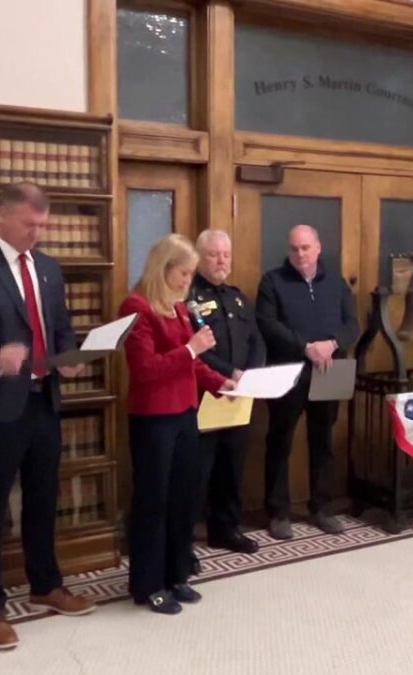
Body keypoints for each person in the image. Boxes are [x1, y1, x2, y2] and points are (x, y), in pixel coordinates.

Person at [0, 183, 94, 651]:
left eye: (43, 225)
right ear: (3, 217)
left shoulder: (49, 268)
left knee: (43, 498)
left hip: (43, 401)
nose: (37, 233)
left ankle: (45, 584)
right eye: (30, 225)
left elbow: (61, 328)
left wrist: (69, 356)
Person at [122, 234, 235, 614]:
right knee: (154, 500)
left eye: (190, 274)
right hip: (153, 419)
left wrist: (222, 384)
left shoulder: (179, 308)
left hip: (186, 413)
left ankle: (176, 574)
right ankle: (148, 584)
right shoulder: (137, 307)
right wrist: (190, 349)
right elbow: (145, 369)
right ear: (163, 268)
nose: (188, 281)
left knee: (184, 498)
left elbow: (194, 364)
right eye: (183, 273)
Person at [256, 224, 359, 540]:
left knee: (323, 441)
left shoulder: (336, 283)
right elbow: (267, 323)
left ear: (318, 248)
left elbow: (351, 324)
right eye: (294, 248)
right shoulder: (272, 281)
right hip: (288, 373)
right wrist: (305, 347)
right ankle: (278, 512)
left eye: (305, 247)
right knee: (280, 441)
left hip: (330, 371)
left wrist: (332, 343)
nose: (300, 254)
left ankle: (322, 507)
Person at [188, 229, 265, 555]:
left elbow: (256, 340)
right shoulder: (190, 298)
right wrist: (229, 373)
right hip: (205, 394)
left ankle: (226, 528)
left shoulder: (237, 297)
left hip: (239, 396)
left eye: (226, 255)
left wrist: (251, 372)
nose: (221, 260)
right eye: (213, 254)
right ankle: (187, 537)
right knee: (198, 470)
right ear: (199, 257)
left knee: (232, 466)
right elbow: (196, 349)